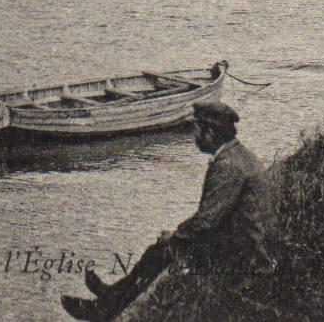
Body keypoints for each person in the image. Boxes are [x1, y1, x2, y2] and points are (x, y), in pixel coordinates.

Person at [61, 102, 273, 322]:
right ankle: (111, 297)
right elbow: (213, 217)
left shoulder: (228, 166)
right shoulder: (238, 156)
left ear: (210, 133)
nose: (194, 136)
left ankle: (104, 308)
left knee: (161, 250)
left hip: (240, 255)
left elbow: (207, 221)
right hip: (243, 243)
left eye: (197, 130)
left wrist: (175, 235)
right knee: (161, 249)